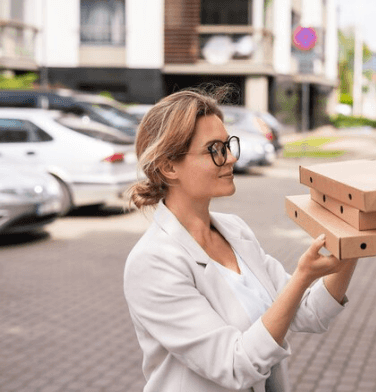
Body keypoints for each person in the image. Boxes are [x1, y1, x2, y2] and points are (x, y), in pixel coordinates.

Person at [123, 87, 357, 392]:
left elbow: (308, 313)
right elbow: (234, 366)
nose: (231, 157)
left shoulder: (235, 230)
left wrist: (354, 243)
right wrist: (302, 276)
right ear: (169, 166)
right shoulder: (152, 263)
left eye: (229, 144)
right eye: (214, 148)